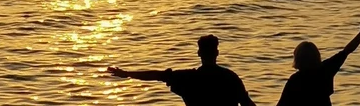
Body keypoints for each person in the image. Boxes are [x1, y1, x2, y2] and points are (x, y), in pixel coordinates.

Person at [107, 34, 256, 106]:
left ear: (199, 53)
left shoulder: (188, 78)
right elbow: (248, 105)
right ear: (217, 53)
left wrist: (127, 74)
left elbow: (156, 75)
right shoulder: (230, 78)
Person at [276, 19, 360, 106]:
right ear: (317, 56)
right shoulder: (325, 69)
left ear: (297, 59)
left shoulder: (295, 80)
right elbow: (347, 50)